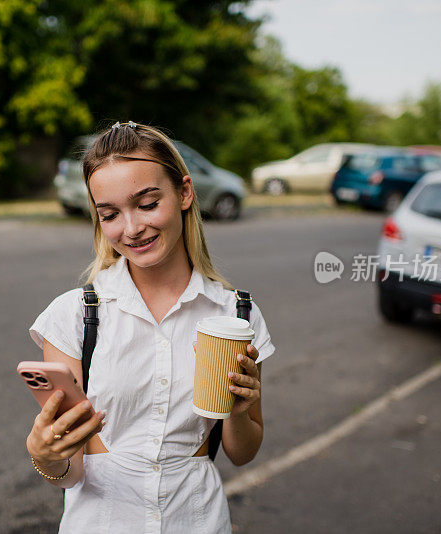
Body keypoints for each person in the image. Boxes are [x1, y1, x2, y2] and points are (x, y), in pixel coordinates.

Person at [26, 121, 275, 533]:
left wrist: (239, 412)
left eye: (146, 203)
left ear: (184, 192)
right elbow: (70, 471)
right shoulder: (73, 315)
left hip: (198, 521)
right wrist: (45, 454)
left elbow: (241, 452)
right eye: (109, 214)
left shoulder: (237, 314)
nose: (131, 228)